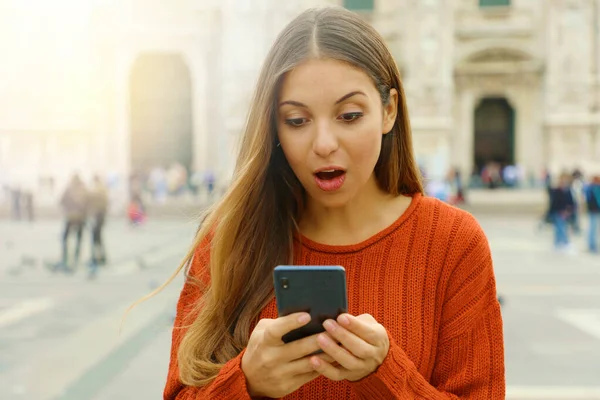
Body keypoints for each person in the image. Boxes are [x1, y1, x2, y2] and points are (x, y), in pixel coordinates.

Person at [155, 7, 504, 399]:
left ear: (388, 111)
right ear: (273, 127)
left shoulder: (452, 243)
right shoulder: (229, 238)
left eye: (349, 115)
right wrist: (247, 383)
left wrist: (386, 375)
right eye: (297, 121)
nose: (323, 144)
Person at [59, 174, 88, 270]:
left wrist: (67, 209)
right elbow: (87, 203)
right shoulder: (83, 189)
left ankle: (65, 256)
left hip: (70, 217)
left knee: (65, 238)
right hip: (80, 218)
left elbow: (61, 201)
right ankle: (76, 256)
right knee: (79, 238)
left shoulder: (69, 189)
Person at [548, 173, 575, 251]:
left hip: (564, 212)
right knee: (559, 228)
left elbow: (571, 202)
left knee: (561, 228)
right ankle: (561, 243)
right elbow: (554, 202)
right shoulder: (556, 191)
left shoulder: (567, 191)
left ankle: (559, 243)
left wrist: (568, 211)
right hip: (557, 212)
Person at [88, 175, 109, 272]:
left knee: (95, 237)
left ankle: (96, 257)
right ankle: (100, 257)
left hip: (98, 216)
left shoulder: (98, 190)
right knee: (98, 238)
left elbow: (94, 202)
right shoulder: (102, 189)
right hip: (101, 216)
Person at [585, 174, 600, 253]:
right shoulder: (591, 189)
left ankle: (593, 245)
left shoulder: (594, 189)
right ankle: (592, 245)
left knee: (594, 228)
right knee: (593, 228)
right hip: (593, 210)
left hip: (595, 210)